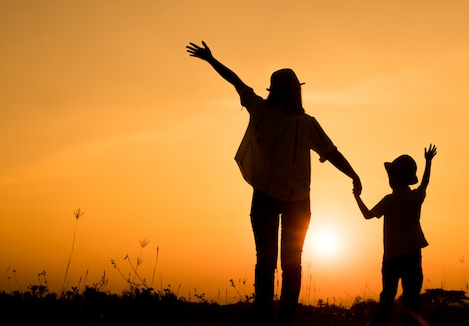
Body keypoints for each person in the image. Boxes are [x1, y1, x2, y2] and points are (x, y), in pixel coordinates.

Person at [186, 41, 362, 326]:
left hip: (268, 198)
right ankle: (283, 321)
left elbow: (236, 81)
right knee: (290, 265)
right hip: (294, 202)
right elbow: (331, 153)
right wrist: (354, 175)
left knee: (266, 262)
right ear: (297, 92)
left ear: (273, 90)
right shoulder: (305, 123)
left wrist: (211, 59)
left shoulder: (263, 111)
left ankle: (267, 318)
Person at [353, 145, 437, 326]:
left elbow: (367, 215)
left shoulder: (389, 200)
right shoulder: (416, 197)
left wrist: (356, 196)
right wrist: (428, 162)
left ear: (394, 178)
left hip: (392, 257)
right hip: (413, 255)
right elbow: (425, 182)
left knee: (387, 299)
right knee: (412, 299)